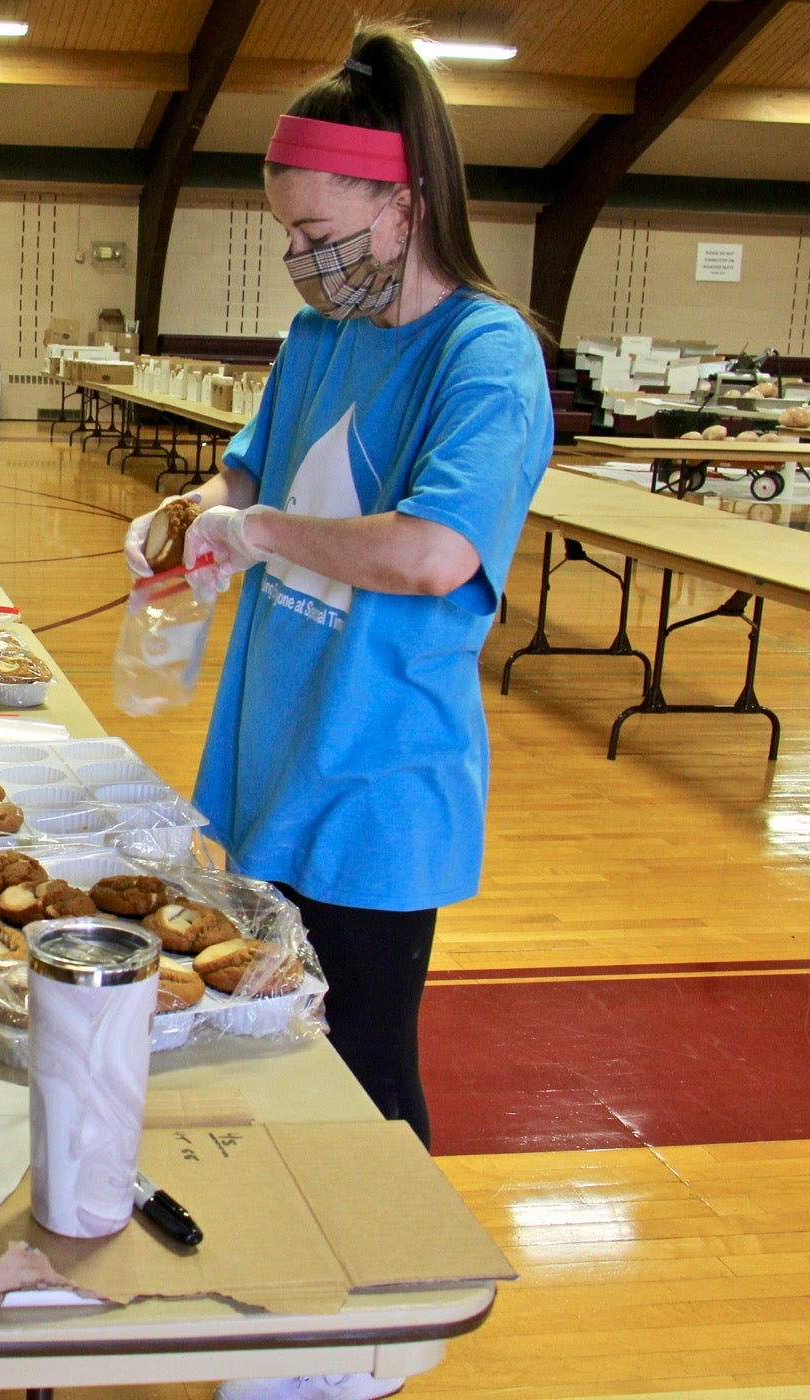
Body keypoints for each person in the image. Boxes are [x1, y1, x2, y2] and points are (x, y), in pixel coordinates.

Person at [123, 31, 550, 1400]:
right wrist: (185, 519)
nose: (303, 261)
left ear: (401, 197)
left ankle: (373, 1340)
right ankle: (281, 1302)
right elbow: (244, 472)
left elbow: (433, 552)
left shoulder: (485, 355)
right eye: (288, 236)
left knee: (362, 1074)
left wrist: (258, 532)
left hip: (376, 785)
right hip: (261, 765)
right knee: (260, 1058)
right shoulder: (323, 334)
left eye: (317, 231)